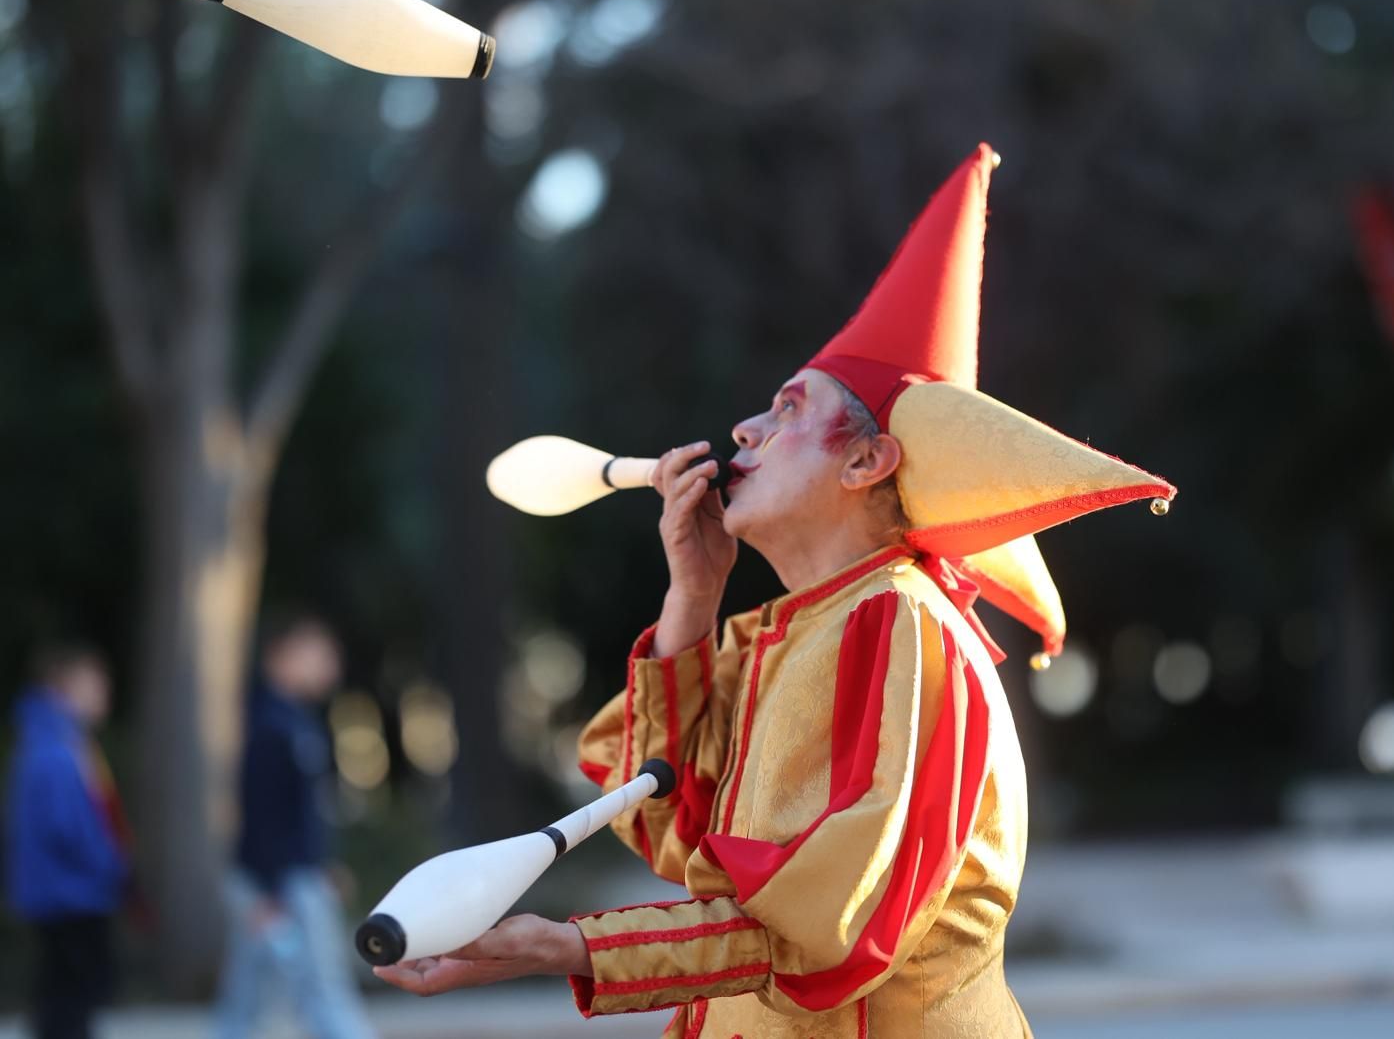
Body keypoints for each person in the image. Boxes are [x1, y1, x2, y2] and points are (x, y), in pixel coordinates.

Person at [373, 144, 1174, 1037]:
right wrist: (693, 600)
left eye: (790, 409)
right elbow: (679, 828)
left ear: (869, 461)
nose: (746, 428)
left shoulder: (898, 624)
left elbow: (823, 927)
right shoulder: (796, 631)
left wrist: (564, 946)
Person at [214, 614, 376, 1039]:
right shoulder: (271, 725)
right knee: (315, 987)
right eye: (318, 655)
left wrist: (322, 863)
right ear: (283, 656)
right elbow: (261, 812)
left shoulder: (294, 722)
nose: (329, 667)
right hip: (283, 886)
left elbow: (299, 812)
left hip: (287, 880)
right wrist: (267, 889)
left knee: (255, 995)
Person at [5, 644, 130, 1039]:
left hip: (63, 889)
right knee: (71, 996)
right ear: (62, 686)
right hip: (71, 891)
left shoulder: (52, 740)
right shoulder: (56, 748)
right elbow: (66, 827)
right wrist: (110, 865)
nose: (102, 694)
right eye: (93, 685)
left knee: (61, 990)